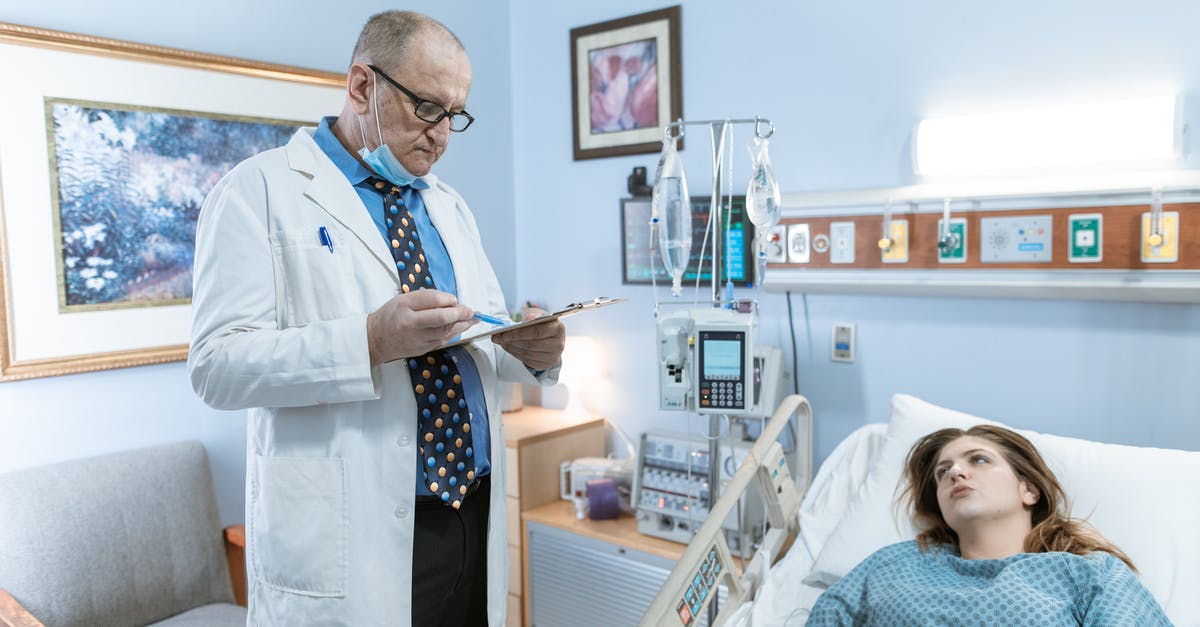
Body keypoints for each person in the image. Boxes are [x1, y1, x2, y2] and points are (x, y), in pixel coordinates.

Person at [188, 11, 564, 626]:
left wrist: (532, 351)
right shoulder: (256, 192)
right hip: (351, 529)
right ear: (362, 85)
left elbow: (478, 337)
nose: (443, 135)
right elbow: (215, 368)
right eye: (428, 109)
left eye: (455, 115)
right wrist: (369, 340)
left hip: (470, 511)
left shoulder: (447, 206)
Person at [806, 425, 1171, 626]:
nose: (956, 472)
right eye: (942, 472)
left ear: (1028, 489)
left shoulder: (1087, 576)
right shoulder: (892, 566)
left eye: (978, 460)